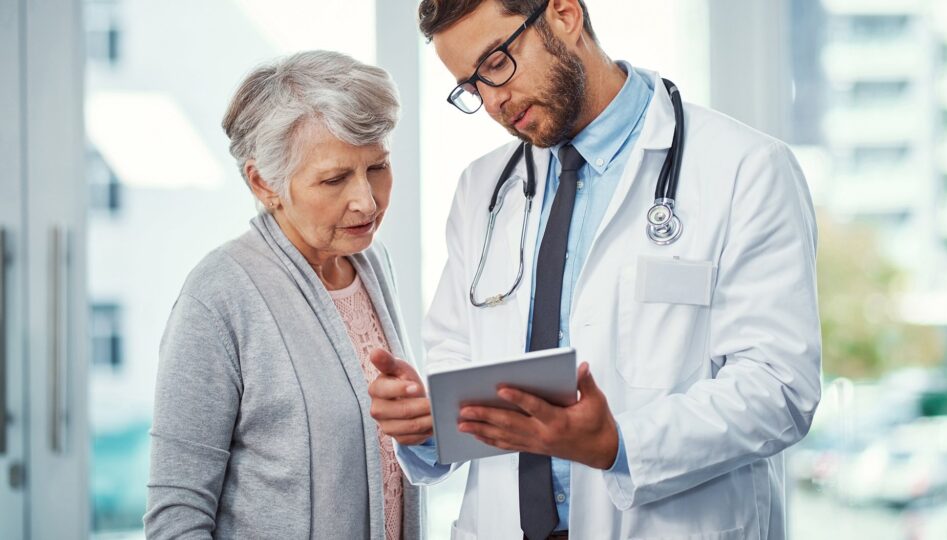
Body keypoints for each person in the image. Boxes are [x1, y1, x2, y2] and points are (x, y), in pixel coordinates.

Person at [369, 0, 822, 538]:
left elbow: (779, 388)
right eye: (472, 87)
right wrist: (427, 423)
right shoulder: (483, 189)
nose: (494, 101)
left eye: (495, 64)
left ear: (563, 14)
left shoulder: (745, 169)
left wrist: (619, 444)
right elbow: (459, 362)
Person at [144, 50, 421, 540]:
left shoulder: (372, 264)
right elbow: (177, 515)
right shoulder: (219, 295)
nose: (367, 200)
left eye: (377, 166)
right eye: (335, 178)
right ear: (263, 181)